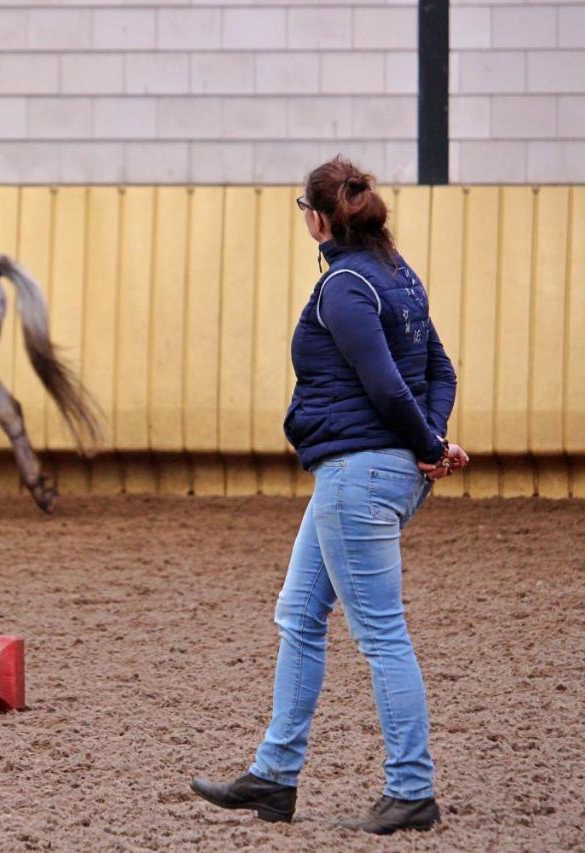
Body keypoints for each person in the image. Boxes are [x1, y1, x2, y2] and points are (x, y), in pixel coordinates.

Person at [190, 156, 469, 835]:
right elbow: (441, 371)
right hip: (375, 473)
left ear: (317, 217)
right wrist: (431, 442)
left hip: (357, 475)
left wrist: (430, 445)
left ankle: (411, 788)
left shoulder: (344, 286)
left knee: (381, 634)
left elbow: (383, 386)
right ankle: (274, 773)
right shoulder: (398, 278)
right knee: (299, 614)